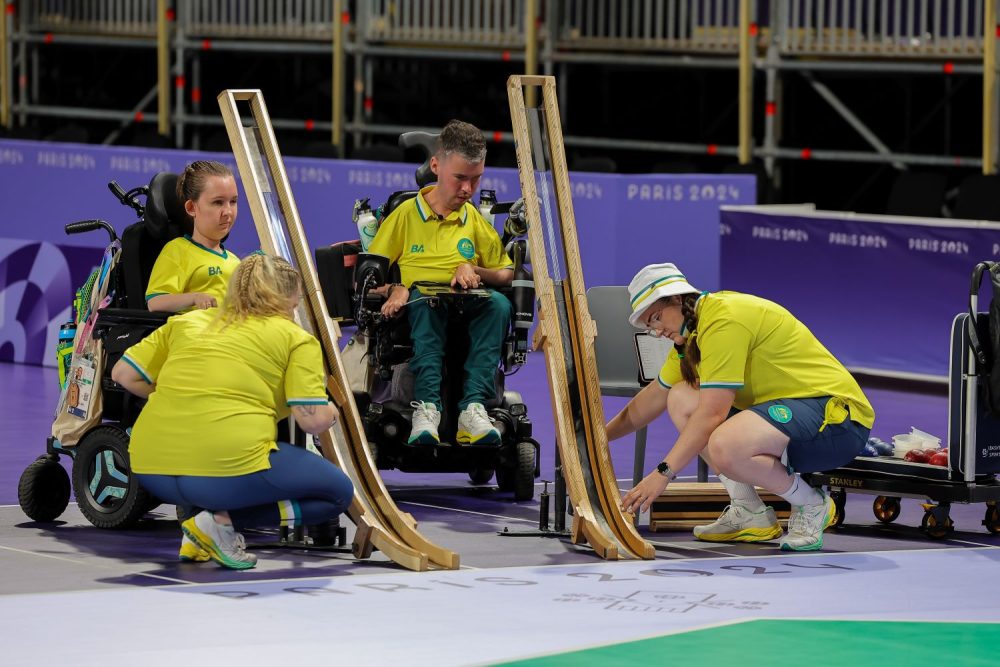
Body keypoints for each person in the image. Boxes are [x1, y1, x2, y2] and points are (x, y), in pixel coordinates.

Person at [606, 263, 875, 551]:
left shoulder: (724, 321)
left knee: (726, 442)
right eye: (650, 326)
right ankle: (750, 511)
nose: (657, 332)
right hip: (788, 421)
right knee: (681, 396)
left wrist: (662, 474)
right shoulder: (692, 339)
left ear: (678, 299)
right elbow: (652, 399)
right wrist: (599, 436)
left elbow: (712, 415)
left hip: (837, 421)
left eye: (656, 318)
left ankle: (811, 503)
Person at [111, 253, 354, 569]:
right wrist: (334, 410)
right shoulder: (297, 339)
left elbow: (122, 374)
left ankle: (208, 528)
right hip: (222, 470)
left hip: (150, 465)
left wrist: (179, 395)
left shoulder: (187, 322)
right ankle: (220, 524)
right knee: (337, 494)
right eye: (294, 304)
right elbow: (311, 421)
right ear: (285, 300)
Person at [369, 119, 514, 446]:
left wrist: (473, 268)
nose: (467, 189)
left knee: (500, 304)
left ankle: (472, 409)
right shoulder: (405, 215)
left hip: (468, 302)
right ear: (436, 165)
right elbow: (368, 279)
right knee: (425, 300)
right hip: (421, 304)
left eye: (476, 180)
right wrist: (396, 288)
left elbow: (505, 273)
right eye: (460, 178)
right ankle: (427, 408)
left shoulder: (473, 218)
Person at [146, 160, 241, 312]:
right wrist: (194, 297)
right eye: (218, 202)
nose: (228, 211)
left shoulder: (235, 261)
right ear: (191, 207)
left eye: (233, 201)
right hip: (195, 332)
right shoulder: (177, 251)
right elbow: (155, 302)